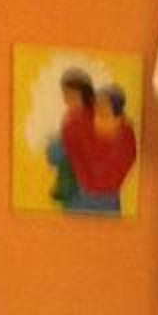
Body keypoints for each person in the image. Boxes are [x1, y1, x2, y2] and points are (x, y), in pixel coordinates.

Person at [67, 82, 138, 215]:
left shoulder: (124, 136)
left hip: (107, 200)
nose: (97, 117)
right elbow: (73, 140)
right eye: (96, 109)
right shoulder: (85, 126)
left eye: (104, 112)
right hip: (83, 196)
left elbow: (125, 161)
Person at [43, 67, 95, 209]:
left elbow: (58, 152)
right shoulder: (71, 115)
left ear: (85, 95)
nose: (67, 100)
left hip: (84, 193)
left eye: (73, 95)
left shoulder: (91, 116)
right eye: (65, 94)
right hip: (74, 192)